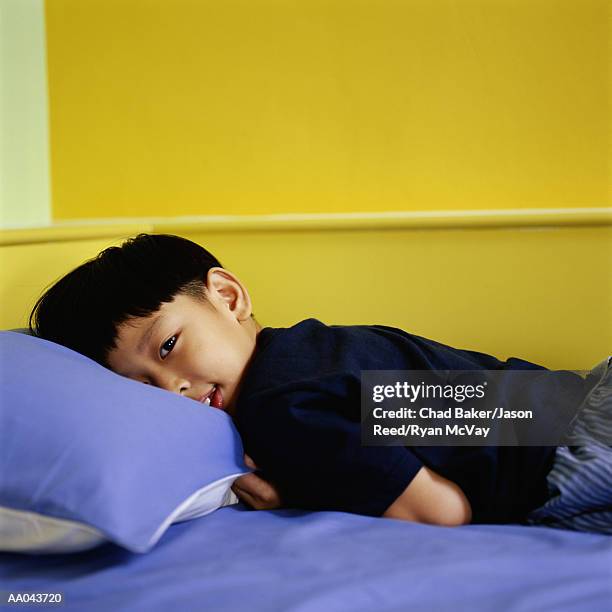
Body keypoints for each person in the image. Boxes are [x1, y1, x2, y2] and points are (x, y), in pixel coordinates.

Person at [28, 233, 612, 533]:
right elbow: (458, 412)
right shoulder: (314, 350)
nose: (170, 389)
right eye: (141, 387)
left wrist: (304, 496)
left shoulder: (284, 412)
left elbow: (441, 515)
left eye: (169, 347)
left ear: (228, 297)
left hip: (570, 457)